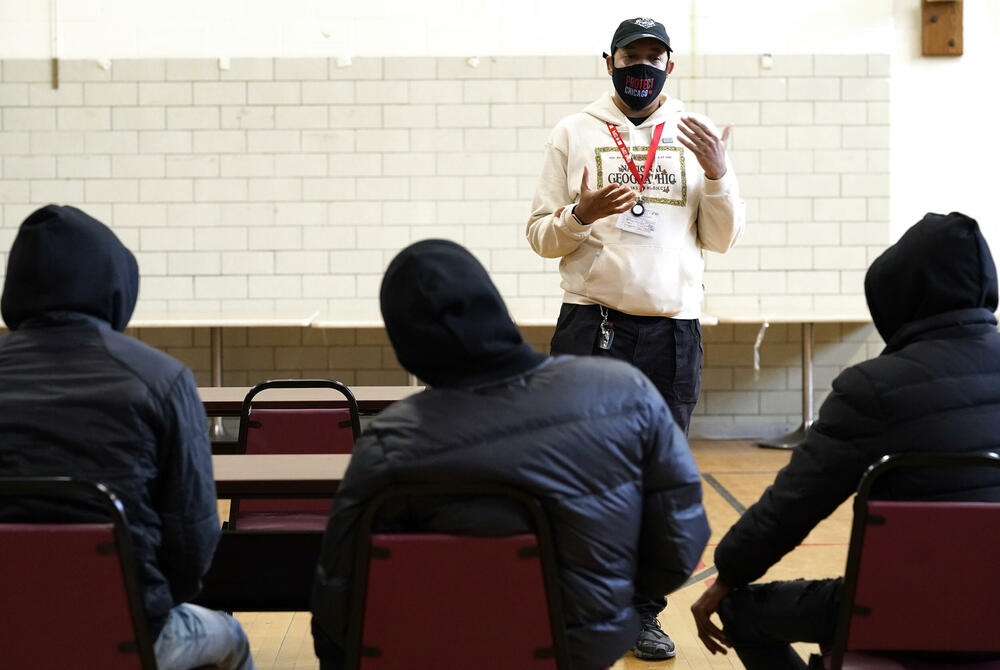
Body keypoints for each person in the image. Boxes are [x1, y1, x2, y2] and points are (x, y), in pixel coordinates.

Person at [310, 239, 710, 670]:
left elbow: (341, 609)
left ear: (405, 343)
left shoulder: (389, 441)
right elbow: (678, 545)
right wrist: (611, 602)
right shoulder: (625, 393)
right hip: (581, 646)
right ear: (496, 307)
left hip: (442, 652)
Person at [690, 212, 1000, 669]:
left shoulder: (873, 389)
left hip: (900, 612)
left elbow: (793, 505)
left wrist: (728, 573)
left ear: (899, 294)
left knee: (741, 610)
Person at [525, 16, 744, 659]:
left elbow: (722, 239)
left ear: (669, 66)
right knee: (578, 472)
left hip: (673, 333)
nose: (641, 68)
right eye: (630, 57)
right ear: (610, 62)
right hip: (591, 323)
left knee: (658, 480)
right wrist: (580, 214)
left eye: (654, 57)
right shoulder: (573, 132)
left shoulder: (695, 133)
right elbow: (540, 237)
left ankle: (644, 613)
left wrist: (719, 174)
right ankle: (580, 604)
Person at [0, 205, 255, 670]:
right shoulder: (162, 380)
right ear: (114, 282)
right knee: (231, 637)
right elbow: (193, 539)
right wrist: (152, 605)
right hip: (128, 631)